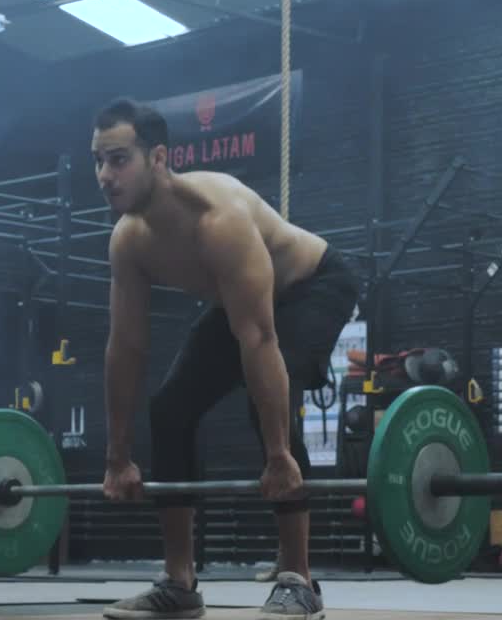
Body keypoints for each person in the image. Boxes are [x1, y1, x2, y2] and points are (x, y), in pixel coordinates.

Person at [94, 98, 359, 620]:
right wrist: (117, 456)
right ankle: (179, 583)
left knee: (266, 413)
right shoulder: (129, 241)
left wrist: (279, 454)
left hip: (312, 286)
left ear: (159, 159)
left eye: (119, 158)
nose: (105, 175)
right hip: (240, 300)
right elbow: (125, 348)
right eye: (98, 161)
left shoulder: (219, 221)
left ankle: (298, 579)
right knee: (170, 408)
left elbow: (259, 338)